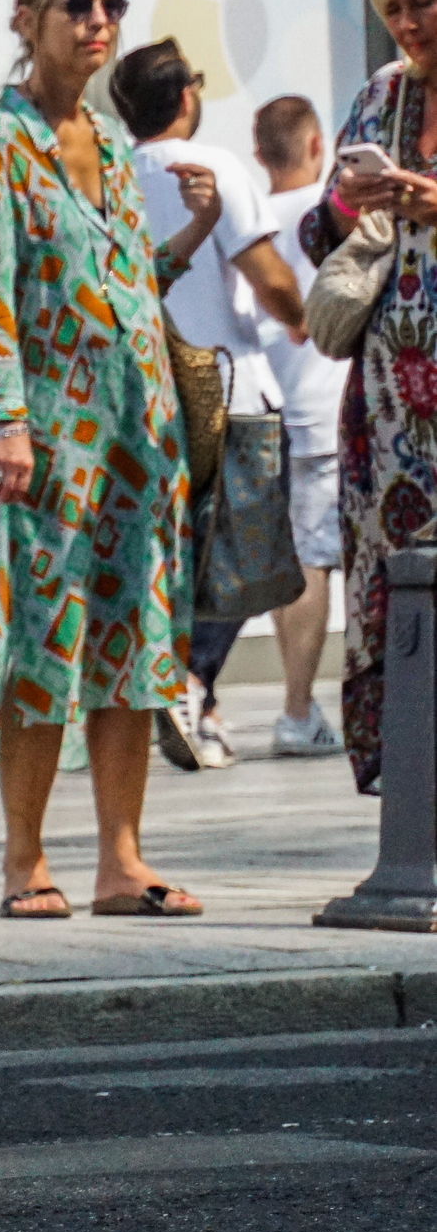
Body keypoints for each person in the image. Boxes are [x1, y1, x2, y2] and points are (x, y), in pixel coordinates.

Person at [0, 0, 224, 919]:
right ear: (25, 20)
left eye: (109, 3)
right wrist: (7, 420)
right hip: (47, 441)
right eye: (74, 3)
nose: (95, 19)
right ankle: (22, 858)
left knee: (134, 643)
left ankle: (121, 858)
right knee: (40, 640)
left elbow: (116, 283)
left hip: (134, 435)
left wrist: (187, 241)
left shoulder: (111, 147)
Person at [110, 38, 311, 771]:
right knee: (247, 558)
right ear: (188, 96)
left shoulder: (112, 176)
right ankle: (191, 680)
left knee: (177, 556)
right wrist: (305, 314)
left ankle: (191, 696)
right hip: (234, 388)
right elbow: (268, 275)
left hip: (147, 396)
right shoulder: (215, 168)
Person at [300, 0, 437, 796]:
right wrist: (355, 201)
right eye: (394, 9)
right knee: (402, 608)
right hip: (389, 416)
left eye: (423, 0)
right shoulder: (382, 93)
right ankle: (415, 809)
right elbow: (319, 232)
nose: (409, 23)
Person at [253, 94, 347, 759]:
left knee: (291, 559)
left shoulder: (252, 216)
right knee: (314, 559)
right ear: (316, 145)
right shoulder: (330, 215)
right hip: (322, 404)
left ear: (261, 153)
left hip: (265, 404)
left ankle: (299, 704)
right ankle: (294, 706)